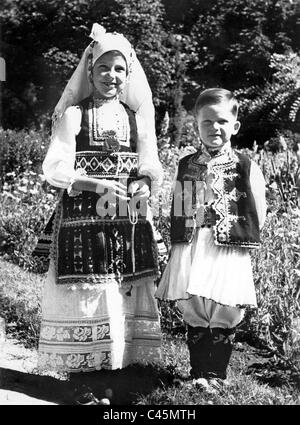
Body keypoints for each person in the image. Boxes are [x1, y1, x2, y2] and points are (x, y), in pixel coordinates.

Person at [37, 23, 163, 405]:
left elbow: (150, 163)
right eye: (104, 68)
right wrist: (94, 184)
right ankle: (84, 380)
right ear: (89, 71)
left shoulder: (136, 117)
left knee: (120, 292)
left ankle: (116, 375)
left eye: (120, 69)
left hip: (127, 218)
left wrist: (143, 182)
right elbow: (54, 167)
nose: (112, 76)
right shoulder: (74, 116)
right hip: (83, 221)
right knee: (88, 294)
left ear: (129, 75)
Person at [155, 88, 267, 391]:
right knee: (194, 304)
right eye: (206, 122)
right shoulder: (187, 163)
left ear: (234, 126)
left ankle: (217, 375)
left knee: (225, 307)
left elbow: (259, 207)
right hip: (193, 243)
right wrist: (177, 241)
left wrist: (242, 237)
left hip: (227, 247)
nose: (214, 128)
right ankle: (198, 374)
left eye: (221, 121)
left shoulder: (245, 166)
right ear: (196, 124)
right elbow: (178, 204)